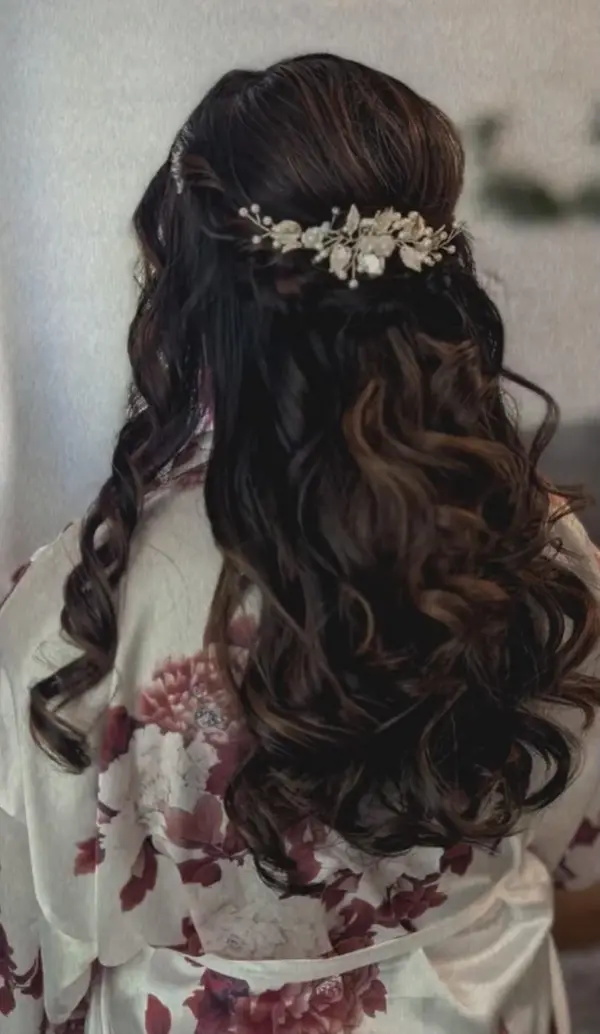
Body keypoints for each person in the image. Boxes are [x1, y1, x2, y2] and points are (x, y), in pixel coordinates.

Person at [2, 52, 600, 1034]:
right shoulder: (536, 551)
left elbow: (21, 958)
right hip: (477, 1000)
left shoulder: (79, 610)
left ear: (191, 289)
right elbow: (575, 843)